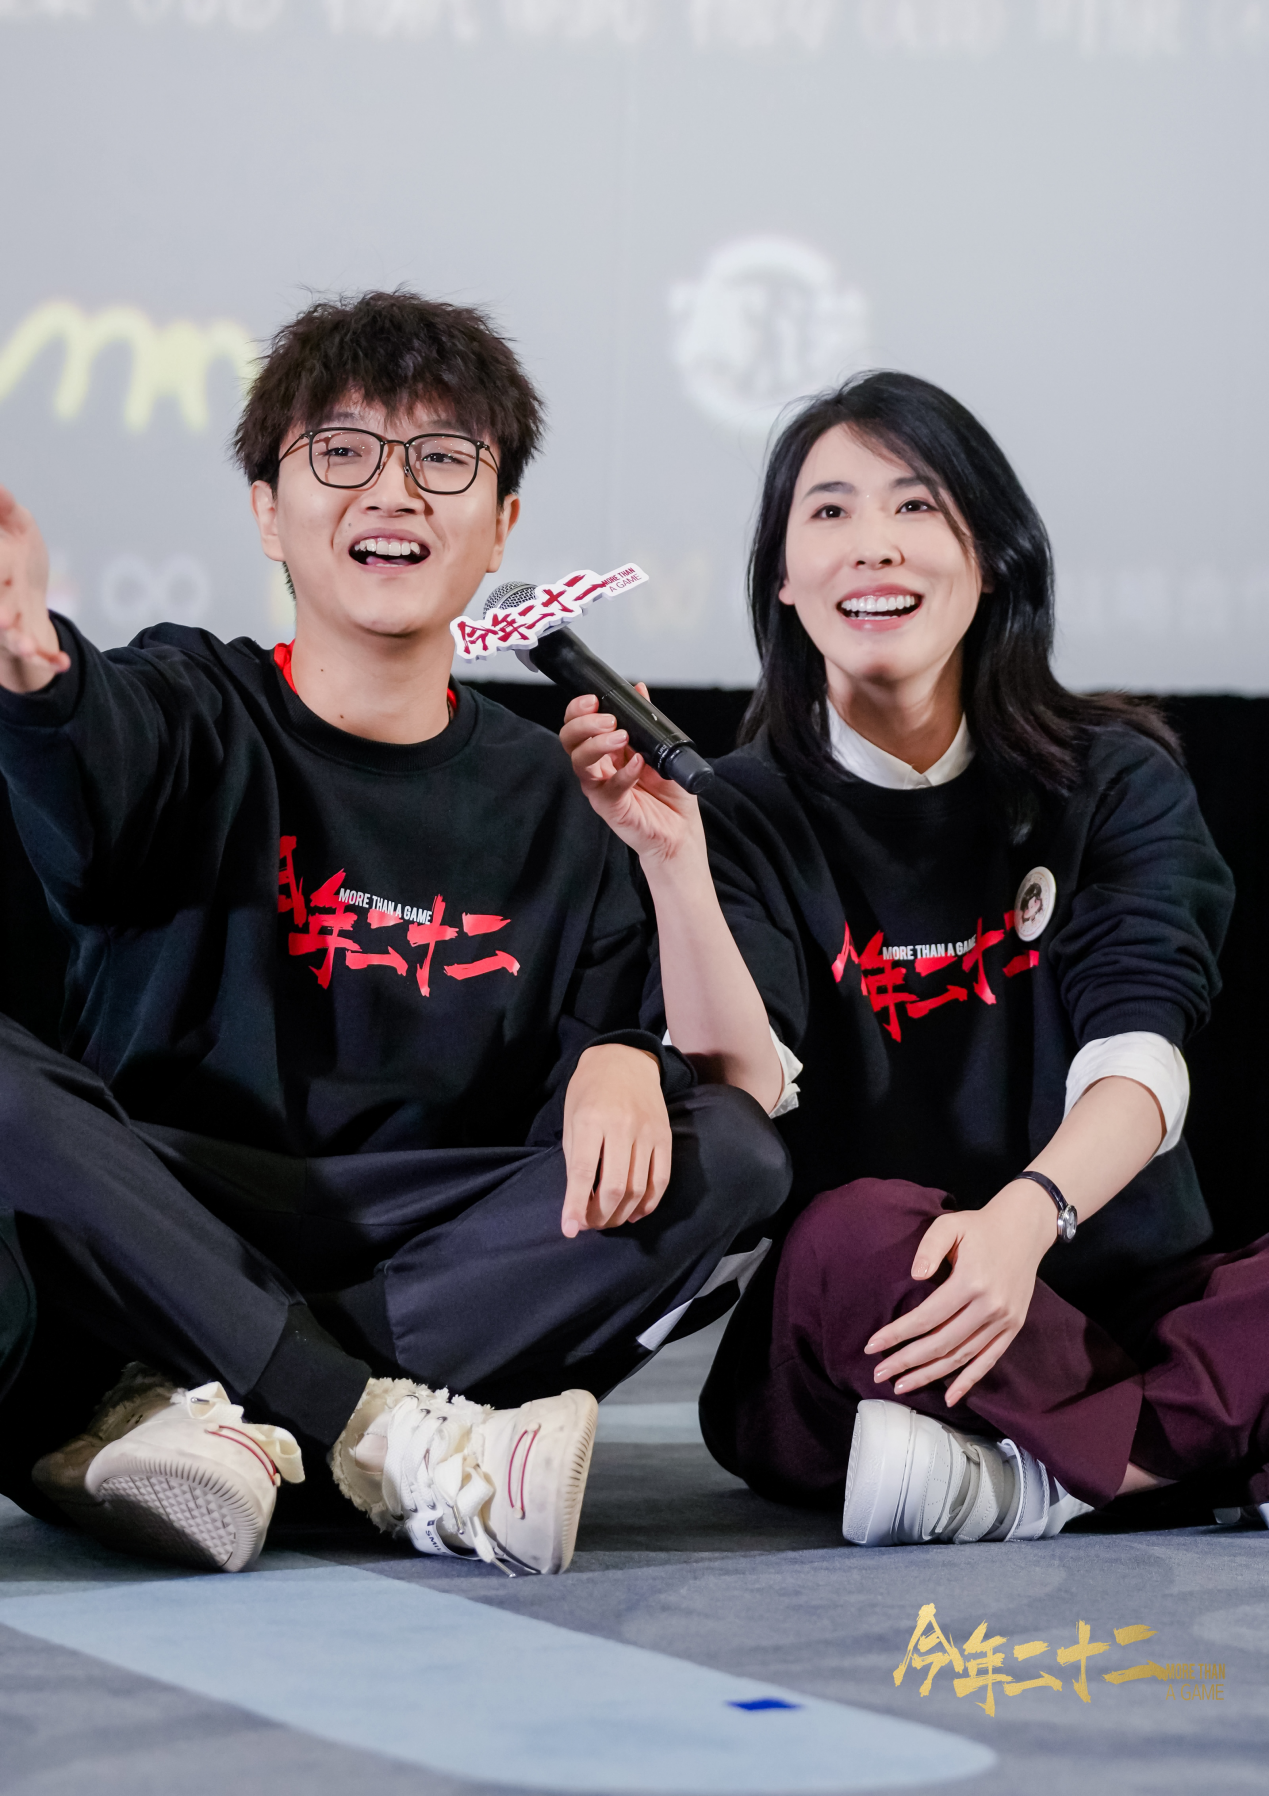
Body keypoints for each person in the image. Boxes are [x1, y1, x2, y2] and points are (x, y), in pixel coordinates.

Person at [0, 290, 789, 1576]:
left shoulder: (562, 792)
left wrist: (628, 1057)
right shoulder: (191, 704)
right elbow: (87, 771)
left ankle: (198, 1423)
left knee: (731, 1155)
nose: (394, 490)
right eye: (343, 450)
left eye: (443, 458)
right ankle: (376, 1434)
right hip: (168, 1211)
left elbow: (647, 1062)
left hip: (416, 1249)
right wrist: (31, 663)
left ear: (502, 526)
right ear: (268, 509)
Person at [562, 369, 1269, 1546]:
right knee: (849, 1238)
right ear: (784, 579)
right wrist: (675, 862)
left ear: (990, 558)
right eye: (830, 512)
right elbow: (745, 1086)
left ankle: (1030, 1482)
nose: (873, 545)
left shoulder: (1113, 780)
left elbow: (1142, 1053)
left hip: (1105, 1285)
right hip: (878, 1313)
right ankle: (1188, 1446)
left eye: (916, 505)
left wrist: (1028, 1218)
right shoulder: (733, 808)